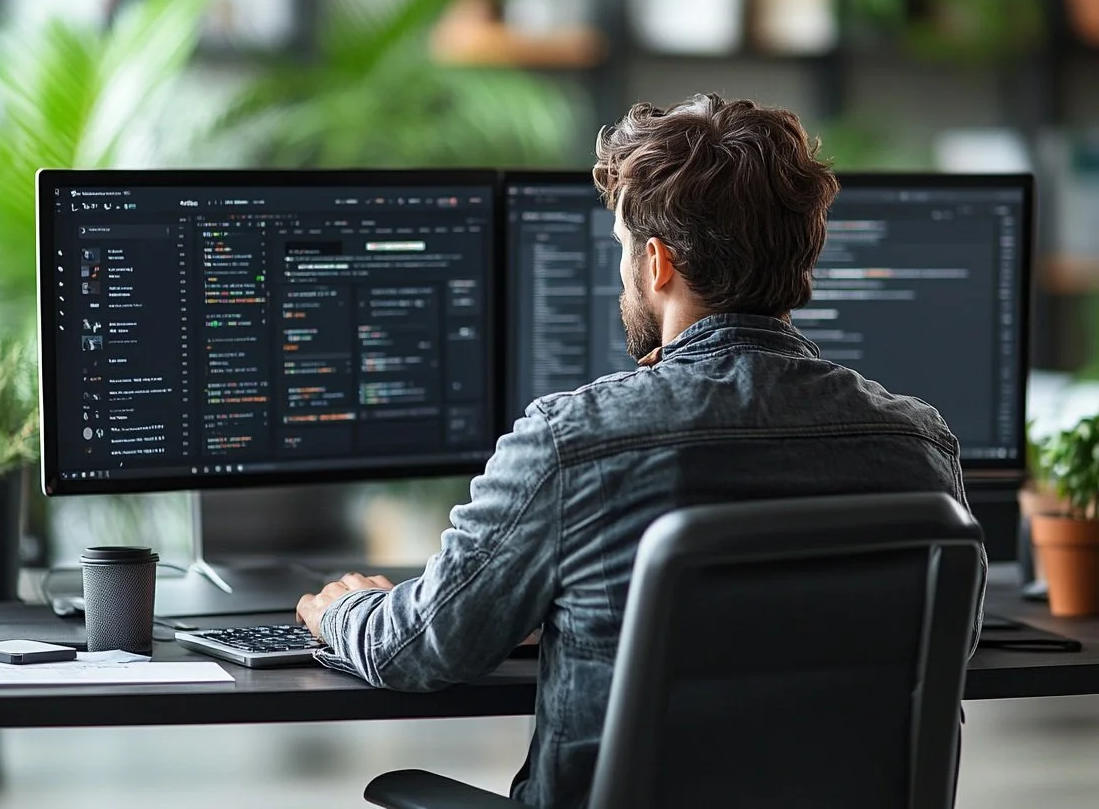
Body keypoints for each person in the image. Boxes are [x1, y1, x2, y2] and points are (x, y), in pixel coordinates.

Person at [297, 94, 986, 808]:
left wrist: (343, 610)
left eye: (624, 246)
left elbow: (422, 645)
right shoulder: (918, 442)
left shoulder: (571, 441)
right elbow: (948, 644)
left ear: (657, 263)